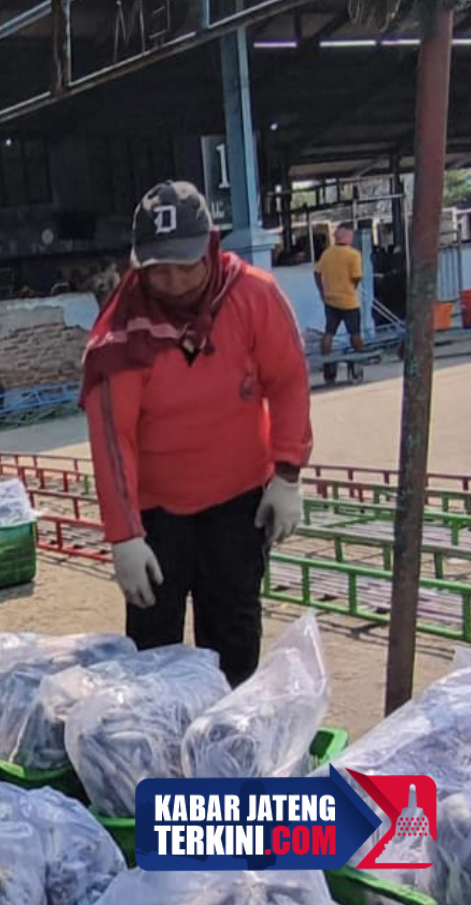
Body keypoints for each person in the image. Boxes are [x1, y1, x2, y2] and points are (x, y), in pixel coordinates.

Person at [82, 180, 312, 687]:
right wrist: (125, 536)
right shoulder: (121, 333)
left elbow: (288, 381)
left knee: (233, 633)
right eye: (158, 269)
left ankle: (226, 728)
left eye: (186, 264)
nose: (174, 281)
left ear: (210, 247)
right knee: (152, 648)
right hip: (156, 516)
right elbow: (113, 439)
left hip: (238, 502)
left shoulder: (253, 296)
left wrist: (287, 474)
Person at [315, 221, 365, 372]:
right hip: (349, 301)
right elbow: (356, 277)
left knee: (329, 332)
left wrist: (322, 291)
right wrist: (351, 287)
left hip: (330, 299)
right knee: (354, 333)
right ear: (348, 236)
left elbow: (317, 273)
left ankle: (327, 363)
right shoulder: (354, 255)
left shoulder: (327, 253)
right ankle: (359, 360)